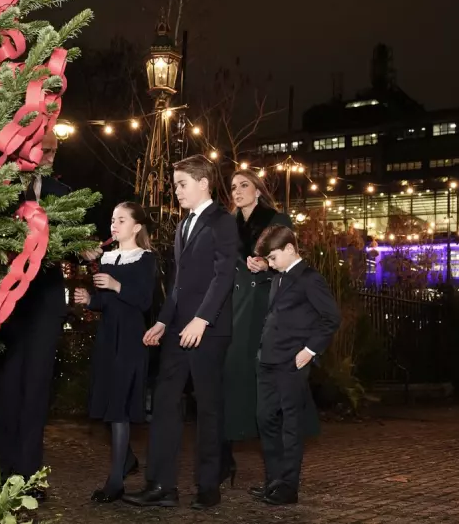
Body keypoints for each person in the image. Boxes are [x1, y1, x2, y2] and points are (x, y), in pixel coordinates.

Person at [123, 155, 238, 510]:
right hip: (177, 330)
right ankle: (161, 486)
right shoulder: (182, 226)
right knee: (165, 403)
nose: (176, 191)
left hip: (209, 330)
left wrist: (202, 319)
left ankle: (208, 486)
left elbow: (224, 276)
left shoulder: (223, 222)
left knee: (208, 408)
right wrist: (161, 321)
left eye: (181, 184)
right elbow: (178, 284)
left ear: (204, 183)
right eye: (175, 185)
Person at [0, 130, 71, 501]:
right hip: (8, 299)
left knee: (37, 386)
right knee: (8, 384)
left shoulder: (63, 193)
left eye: (56, 151)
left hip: (45, 300)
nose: (52, 156)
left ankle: (28, 476)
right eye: (47, 150)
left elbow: (76, 238)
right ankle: (5, 467)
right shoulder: (1, 190)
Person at [74, 202, 157, 504]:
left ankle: (115, 481)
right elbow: (108, 302)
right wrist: (90, 300)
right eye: (112, 220)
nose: (114, 225)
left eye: (121, 220)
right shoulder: (107, 257)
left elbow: (144, 301)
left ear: (136, 227)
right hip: (108, 337)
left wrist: (115, 284)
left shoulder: (146, 259)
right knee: (110, 402)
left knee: (119, 406)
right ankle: (128, 458)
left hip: (131, 339)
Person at [252, 225, 341, 505]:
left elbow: (331, 317)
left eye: (274, 257)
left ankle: (288, 488)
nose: (271, 263)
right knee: (265, 419)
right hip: (267, 360)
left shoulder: (309, 278)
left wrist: (310, 350)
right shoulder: (278, 278)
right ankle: (274, 481)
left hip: (292, 362)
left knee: (291, 425)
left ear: (290, 249)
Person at [219, 170, 293, 487]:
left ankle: (276, 474)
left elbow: (292, 263)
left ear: (258, 191)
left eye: (244, 185)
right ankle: (223, 461)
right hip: (231, 309)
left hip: (264, 307)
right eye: (233, 186)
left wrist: (265, 264)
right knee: (227, 381)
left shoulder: (278, 220)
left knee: (264, 390)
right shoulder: (225, 226)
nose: (237, 191)